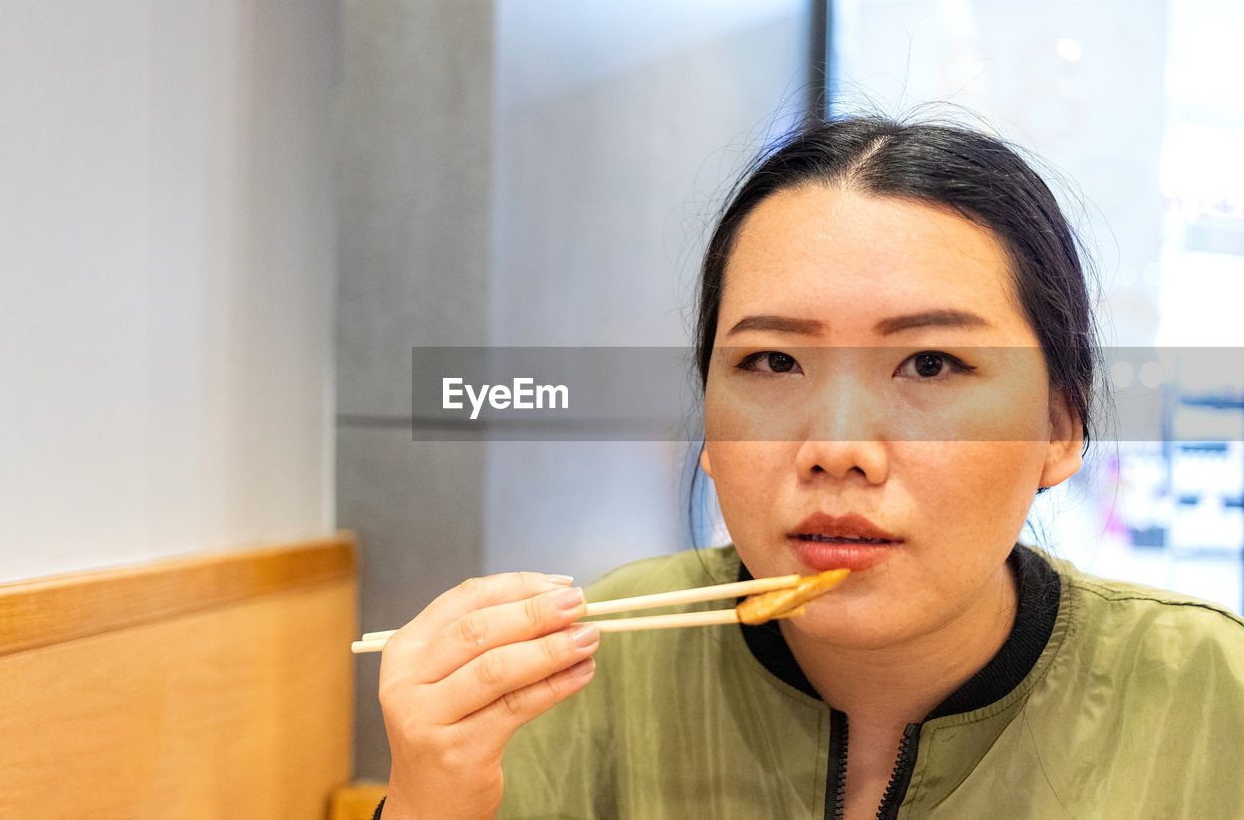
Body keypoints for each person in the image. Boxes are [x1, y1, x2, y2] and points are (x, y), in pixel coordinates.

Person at [372, 117, 1244, 819]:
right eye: (774, 363)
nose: (837, 446)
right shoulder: (575, 681)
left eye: (932, 363)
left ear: (1060, 426)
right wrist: (426, 802)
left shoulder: (1212, 695)